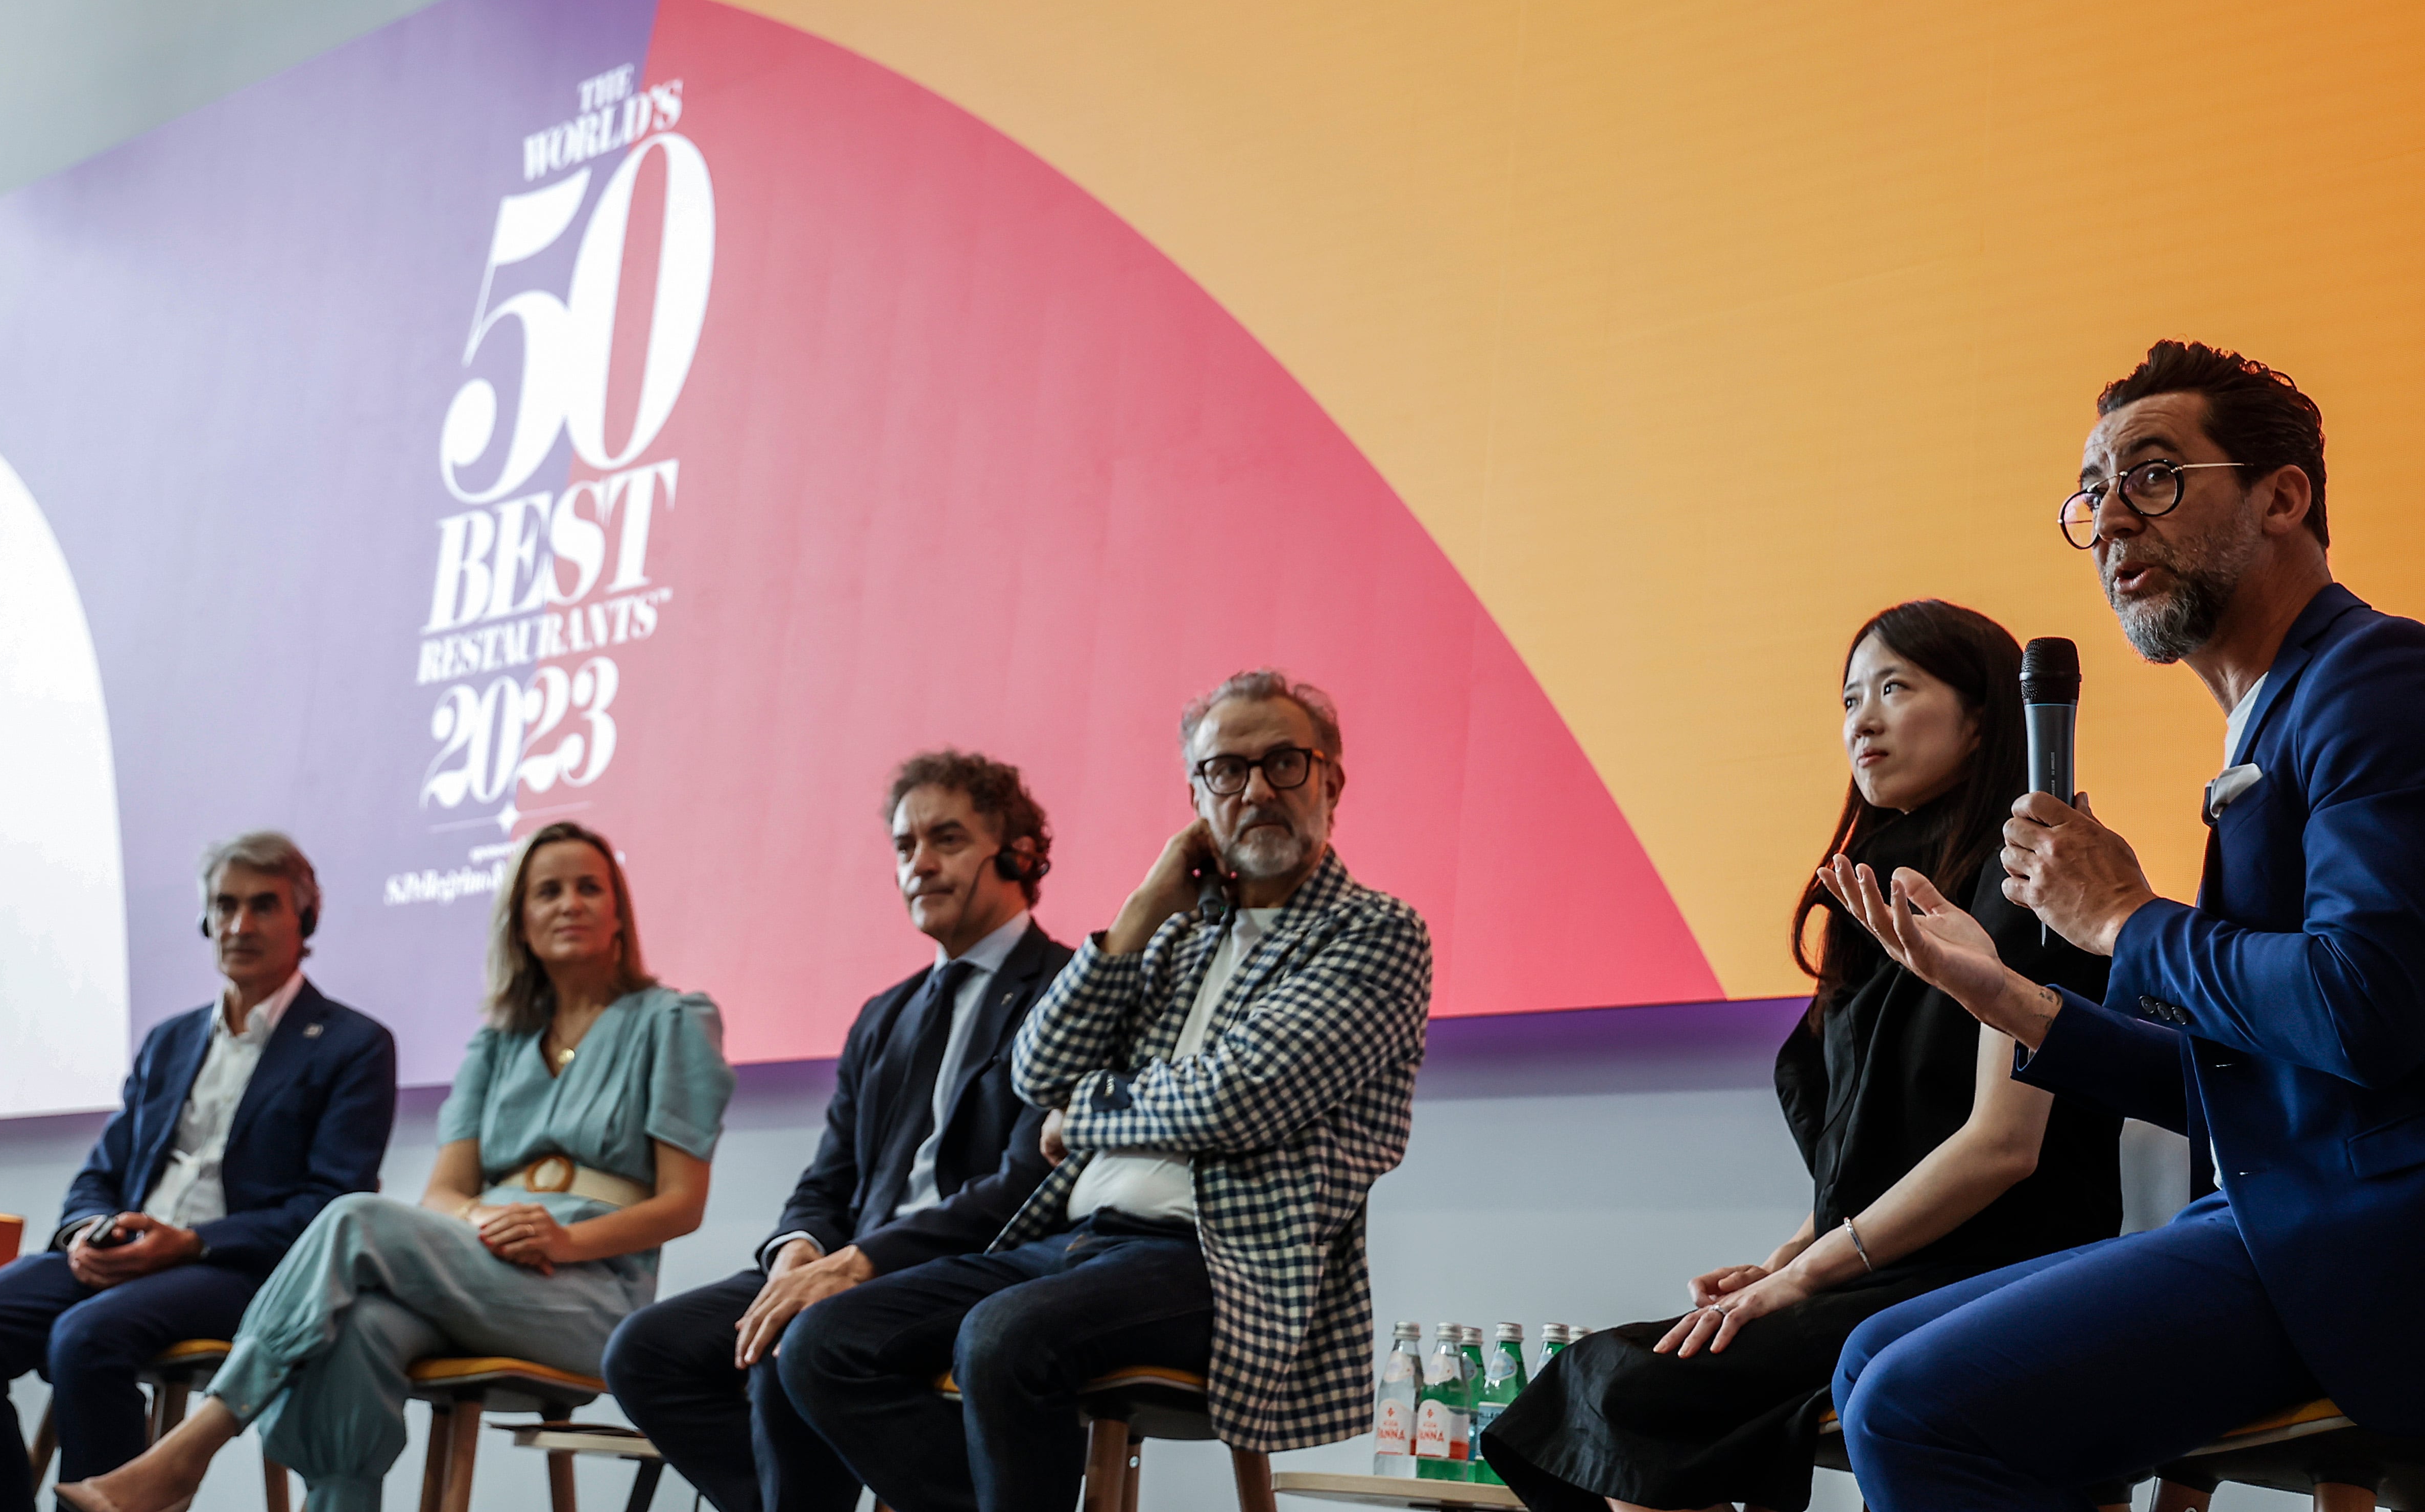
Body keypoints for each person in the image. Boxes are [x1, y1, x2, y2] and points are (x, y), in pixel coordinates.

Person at [1825, 342, 2425, 1511]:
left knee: (1911, 1408)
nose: (2108, 523)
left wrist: (2128, 919)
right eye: (2092, 495)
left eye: (2152, 477)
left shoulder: (2376, 680)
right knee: (1865, 1362)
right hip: (2275, 1211)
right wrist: (2011, 1000)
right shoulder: (2265, 721)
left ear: (2282, 497)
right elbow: (2247, 1082)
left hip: (2367, 1241)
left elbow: (2369, 1010)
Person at [1477, 602, 2124, 1512]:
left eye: (1896, 688)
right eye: (1852, 696)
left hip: (1998, 1273)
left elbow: (2003, 1145)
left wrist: (1807, 1273)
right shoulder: (1874, 898)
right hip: (1885, 1266)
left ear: (1984, 717)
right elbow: (1878, 1146)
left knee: (1638, 1392)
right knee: (1615, 1379)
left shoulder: (2026, 880)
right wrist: (1788, 1250)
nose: (1862, 719)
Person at [778, 669, 1433, 1512]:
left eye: (1284, 763)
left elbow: (1239, 1095)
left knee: (1003, 1337)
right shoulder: (1172, 936)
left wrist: (1083, 1113)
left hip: (1223, 1265)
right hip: (1072, 1241)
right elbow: (1036, 1070)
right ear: (1199, 797)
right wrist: (1140, 909)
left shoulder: (1375, 932)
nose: (1258, 788)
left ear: (1331, 779)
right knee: (823, 1342)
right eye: (1226, 771)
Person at [54, 820, 735, 1512]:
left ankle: (192, 1448)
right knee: (356, 1331)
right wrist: (484, 1221)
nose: (570, 904)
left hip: (591, 1294)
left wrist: (562, 1238)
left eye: (590, 887)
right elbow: (446, 1192)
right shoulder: (496, 1041)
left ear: (618, 912)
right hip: (485, 1258)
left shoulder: (673, 1020)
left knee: (352, 1217)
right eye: (548, 891)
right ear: (520, 922)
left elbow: (682, 1202)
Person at [603, 751, 1073, 1512]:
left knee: (797, 1340)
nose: (919, 863)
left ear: (1017, 852)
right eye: (903, 846)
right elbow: (827, 1180)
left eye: (945, 838)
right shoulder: (884, 1014)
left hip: (973, 1265)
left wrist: (858, 1263)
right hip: (849, 1265)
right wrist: (800, 1252)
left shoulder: (1066, 988)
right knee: (645, 1352)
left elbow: (1030, 1184)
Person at [0, 833, 396, 1512]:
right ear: (205, 920)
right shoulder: (171, 1039)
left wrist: (192, 1241)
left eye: (264, 906)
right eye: (225, 905)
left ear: (305, 919)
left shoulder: (352, 1044)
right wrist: (87, 1231)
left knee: (86, 1337)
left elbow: (332, 1205)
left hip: (240, 1267)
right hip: (124, 1253)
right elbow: (101, 1171)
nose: (240, 925)